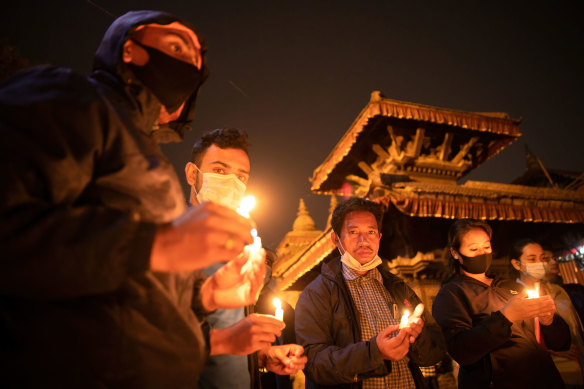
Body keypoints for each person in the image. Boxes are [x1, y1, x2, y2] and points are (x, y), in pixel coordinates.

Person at [0, 10, 266, 387]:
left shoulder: (147, 161)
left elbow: (130, 293)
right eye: (175, 46)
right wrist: (158, 242)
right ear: (128, 48)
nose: (188, 64)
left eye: (196, 62)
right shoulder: (71, 99)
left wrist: (203, 295)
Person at [185, 128, 307, 388]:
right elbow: (145, 332)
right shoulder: (168, 242)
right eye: (219, 171)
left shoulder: (245, 253)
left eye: (241, 177)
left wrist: (262, 357)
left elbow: (237, 332)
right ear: (192, 174)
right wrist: (222, 340)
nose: (232, 183)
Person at [295, 197, 446, 388]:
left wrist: (418, 337)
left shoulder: (399, 288)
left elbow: (436, 349)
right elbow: (314, 363)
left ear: (379, 237)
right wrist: (375, 352)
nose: (364, 240)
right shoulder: (317, 294)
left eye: (371, 232)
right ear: (336, 239)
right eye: (353, 232)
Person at [432, 219, 571, 388]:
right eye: (474, 249)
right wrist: (506, 317)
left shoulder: (509, 286)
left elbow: (561, 343)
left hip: (543, 377)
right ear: (455, 253)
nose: (482, 253)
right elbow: (461, 351)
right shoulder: (451, 294)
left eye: (486, 247)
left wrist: (548, 321)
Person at [510, 240, 584, 388]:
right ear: (517, 264)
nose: (540, 263)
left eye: (542, 258)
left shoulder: (558, 291)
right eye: (532, 259)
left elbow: (574, 323)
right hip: (541, 372)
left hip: (576, 364)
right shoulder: (511, 297)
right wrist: (553, 350)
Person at [543, 249, 584, 324]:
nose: (554, 262)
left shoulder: (576, 289)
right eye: (546, 259)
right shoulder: (541, 296)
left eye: (554, 258)